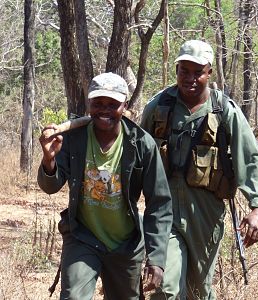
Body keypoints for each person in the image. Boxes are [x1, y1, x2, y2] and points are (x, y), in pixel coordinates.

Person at [140, 40, 258, 299]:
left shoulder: (225, 111)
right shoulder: (158, 107)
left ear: (209, 73)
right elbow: (135, 156)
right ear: (176, 69)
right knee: (166, 288)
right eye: (184, 71)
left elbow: (250, 158)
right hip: (163, 211)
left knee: (198, 291)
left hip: (205, 213)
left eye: (198, 72)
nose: (190, 78)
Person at [37, 72, 173, 300]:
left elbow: (159, 204)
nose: (104, 110)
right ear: (89, 103)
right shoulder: (73, 137)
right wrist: (49, 160)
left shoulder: (141, 144)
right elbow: (50, 186)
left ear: (125, 105)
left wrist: (156, 259)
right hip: (83, 236)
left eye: (113, 104)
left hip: (125, 244)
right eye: (98, 103)